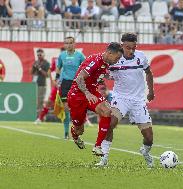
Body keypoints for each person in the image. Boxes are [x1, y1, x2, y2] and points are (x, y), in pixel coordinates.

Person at [95, 33, 155, 168]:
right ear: (122, 46)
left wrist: (151, 91)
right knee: (110, 124)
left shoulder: (141, 57)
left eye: (134, 47)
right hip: (120, 98)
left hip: (138, 100)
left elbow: (148, 72)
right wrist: (101, 80)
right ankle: (103, 158)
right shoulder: (115, 59)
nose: (131, 51)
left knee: (149, 137)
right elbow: (105, 73)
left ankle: (145, 152)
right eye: (128, 48)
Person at [67, 42, 123, 150]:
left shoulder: (106, 62)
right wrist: (87, 93)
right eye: (117, 58)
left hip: (92, 92)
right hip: (77, 95)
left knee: (106, 111)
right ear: (110, 53)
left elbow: (97, 74)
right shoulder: (95, 60)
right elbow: (79, 79)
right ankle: (75, 134)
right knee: (80, 130)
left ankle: (97, 146)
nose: (117, 60)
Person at [56, 36, 85, 139]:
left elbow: (86, 67)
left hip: (76, 84)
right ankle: (66, 132)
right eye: (66, 43)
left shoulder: (80, 56)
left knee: (75, 109)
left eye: (70, 43)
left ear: (74, 44)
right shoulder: (62, 56)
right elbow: (58, 67)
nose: (68, 45)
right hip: (65, 84)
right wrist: (57, 79)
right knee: (66, 108)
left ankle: (76, 130)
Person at [34, 47, 65, 124]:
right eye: (61, 53)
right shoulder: (56, 60)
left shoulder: (73, 60)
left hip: (68, 84)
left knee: (74, 103)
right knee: (49, 102)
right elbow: (50, 70)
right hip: (58, 85)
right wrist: (53, 81)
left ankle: (85, 120)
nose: (62, 54)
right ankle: (40, 118)